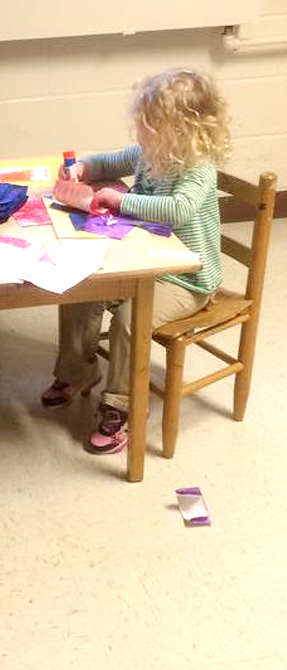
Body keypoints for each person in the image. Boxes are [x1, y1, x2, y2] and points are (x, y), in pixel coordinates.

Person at [42, 68, 231, 454]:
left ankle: (123, 406)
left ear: (183, 131)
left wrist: (119, 200)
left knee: (132, 316)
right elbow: (109, 162)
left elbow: (178, 209)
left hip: (187, 279)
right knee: (81, 288)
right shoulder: (150, 153)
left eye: (148, 127)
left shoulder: (198, 167)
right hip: (144, 261)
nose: (139, 135)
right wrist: (83, 168)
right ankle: (79, 373)